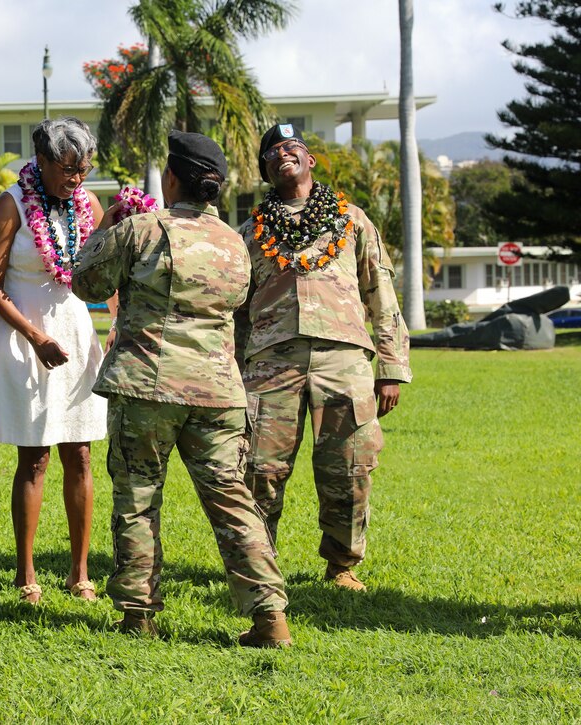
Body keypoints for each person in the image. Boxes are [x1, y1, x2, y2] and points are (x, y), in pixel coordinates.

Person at [73, 130, 290, 647]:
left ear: (172, 178)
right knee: (232, 500)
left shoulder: (143, 230)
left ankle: (138, 614)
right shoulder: (237, 243)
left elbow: (86, 283)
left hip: (148, 387)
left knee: (139, 498)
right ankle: (270, 617)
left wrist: (107, 226)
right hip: (218, 392)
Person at [236, 123, 412, 592]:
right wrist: (231, 373)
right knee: (259, 468)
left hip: (345, 359)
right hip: (271, 361)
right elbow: (234, 311)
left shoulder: (352, 220)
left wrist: (391, 367)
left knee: (349, 465)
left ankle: (342, 565)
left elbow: (380, 292)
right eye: (271, 152)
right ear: (266, 171)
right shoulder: (250, 232)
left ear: (311, 160)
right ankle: (259, 566)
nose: (281, 154)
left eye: (292, 147)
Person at [0, 117, 110, 603]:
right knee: (34, 456)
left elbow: (103, 272)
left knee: (79, 452)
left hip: (75, 333)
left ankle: (80, 572)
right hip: (23, 337)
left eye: (83, 168)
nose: (76, 178)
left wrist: (115, 321)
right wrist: (35, 337)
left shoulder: (87, 203)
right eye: (67, 168)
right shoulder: (11, 204)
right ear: (41, 159)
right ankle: (26, 572)